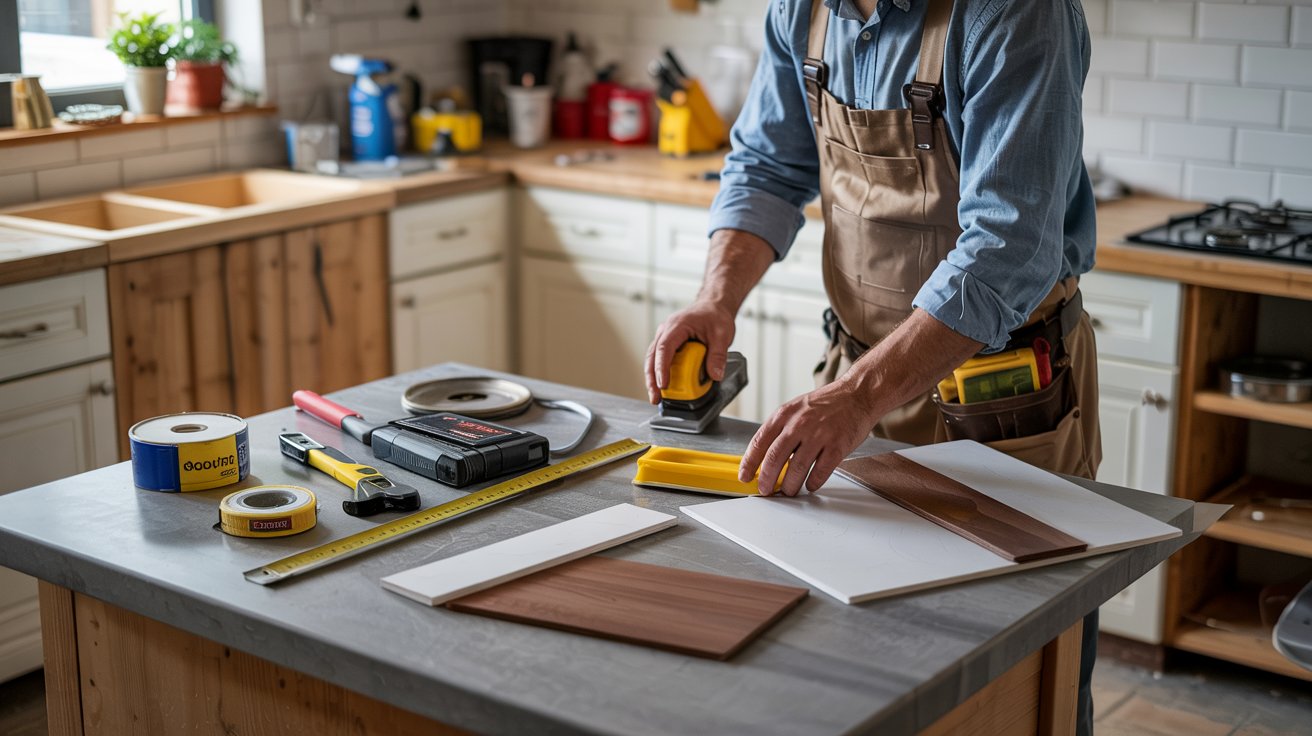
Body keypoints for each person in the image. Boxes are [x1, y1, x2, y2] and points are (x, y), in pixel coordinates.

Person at [643, 0, 1102, 733]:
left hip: (1002, 397)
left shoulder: (1014, 12)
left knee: (1016, 667)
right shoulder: (803, 10)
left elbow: (1010, 244)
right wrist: (716, 298)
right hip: (857, 382)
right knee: (855, 650)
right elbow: (767, 167)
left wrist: (857, 397)